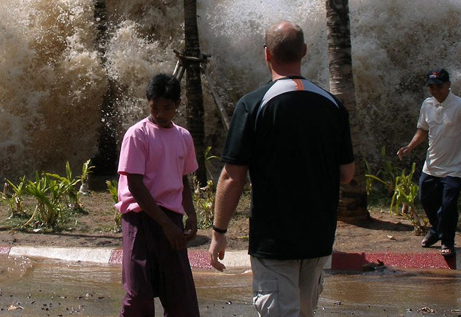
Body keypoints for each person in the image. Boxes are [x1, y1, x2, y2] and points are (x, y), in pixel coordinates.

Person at [209, 21, 355, 317]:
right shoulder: (332, 105)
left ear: (266, 54)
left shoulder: (253, 105)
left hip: (274, 239)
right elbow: (347, 173)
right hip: (318, 238)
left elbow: (231, 177)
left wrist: (218, 232)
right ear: (304, 51)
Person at [115, 73, 200, 317]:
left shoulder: (183, 137)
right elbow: (135, 184)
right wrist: (164, 224)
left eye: (167, 108)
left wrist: (190, 215)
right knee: (138, 296)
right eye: (155, 107)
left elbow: (182, 178)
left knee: (181, 297)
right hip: (140, 219)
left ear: (177, 106)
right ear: (148, 103)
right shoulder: (137, 134)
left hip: (171, 219)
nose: (160, 114)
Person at [396, 68, 461, 257]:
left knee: (448, 204)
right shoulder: (427, 104)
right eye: (431, 87)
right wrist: (409, 147)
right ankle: (436, 230)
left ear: (448, 85)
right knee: (425, 199)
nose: (434, 91)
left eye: (438, 86)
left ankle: (447, 241)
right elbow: (422, 129)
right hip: (432, 165)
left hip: (455, 167)